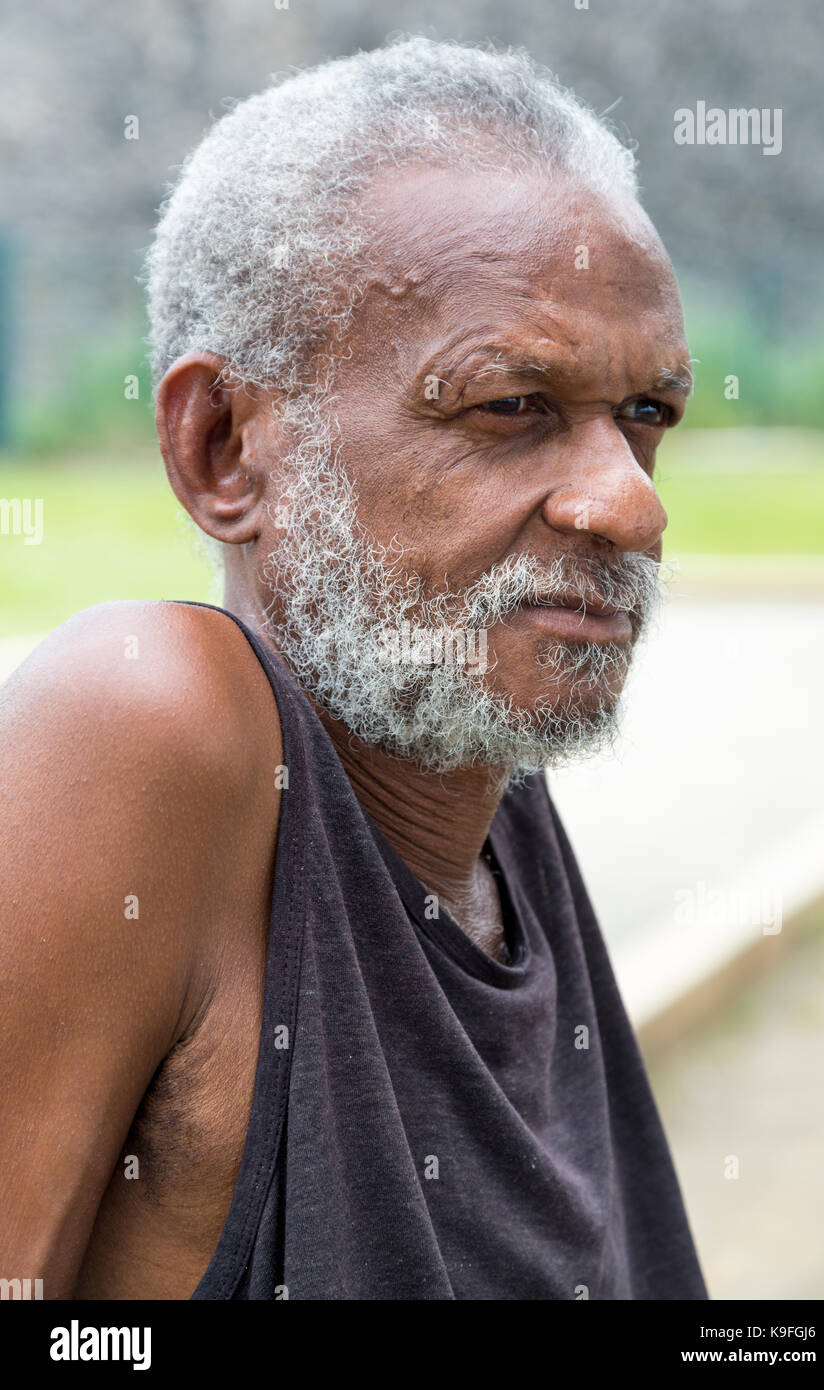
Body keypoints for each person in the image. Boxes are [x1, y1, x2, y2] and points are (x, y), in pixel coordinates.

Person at [0, 36, 705, 1300]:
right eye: (507, 405)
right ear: (224, 449)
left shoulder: (495, 793)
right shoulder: (144, 718)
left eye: (645, 415)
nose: (629, 504)